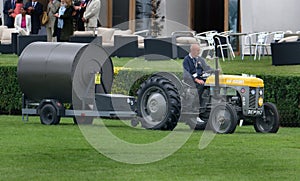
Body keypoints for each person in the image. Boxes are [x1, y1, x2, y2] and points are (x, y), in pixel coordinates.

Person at [183, 44, 213, 114]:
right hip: (190, 80)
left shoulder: (200, 59)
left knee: (210, 83)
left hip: (200, 78)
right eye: (198, 51)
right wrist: (196, 80)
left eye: (199, 50)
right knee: (200, 85)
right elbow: (187, 73)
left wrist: (215, 71)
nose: (199, 52)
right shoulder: (186, 60)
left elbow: (206, 67)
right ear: (192, 51)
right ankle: (195, 107)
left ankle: (209, 104)